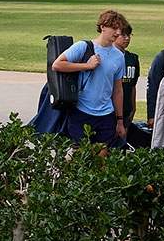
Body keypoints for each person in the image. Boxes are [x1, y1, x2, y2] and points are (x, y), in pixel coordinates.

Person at [50, 9, 130, 147]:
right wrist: (87, 66)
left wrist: (120, 121)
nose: (118, 33)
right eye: (114, 28)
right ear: (102, 27)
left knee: (101, 160)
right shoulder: (83, 46)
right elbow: (57, 65)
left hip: (106, 113)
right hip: (82, 111)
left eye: (120, 29)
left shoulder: (119, 56)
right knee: (80, 157)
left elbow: (117, 90)